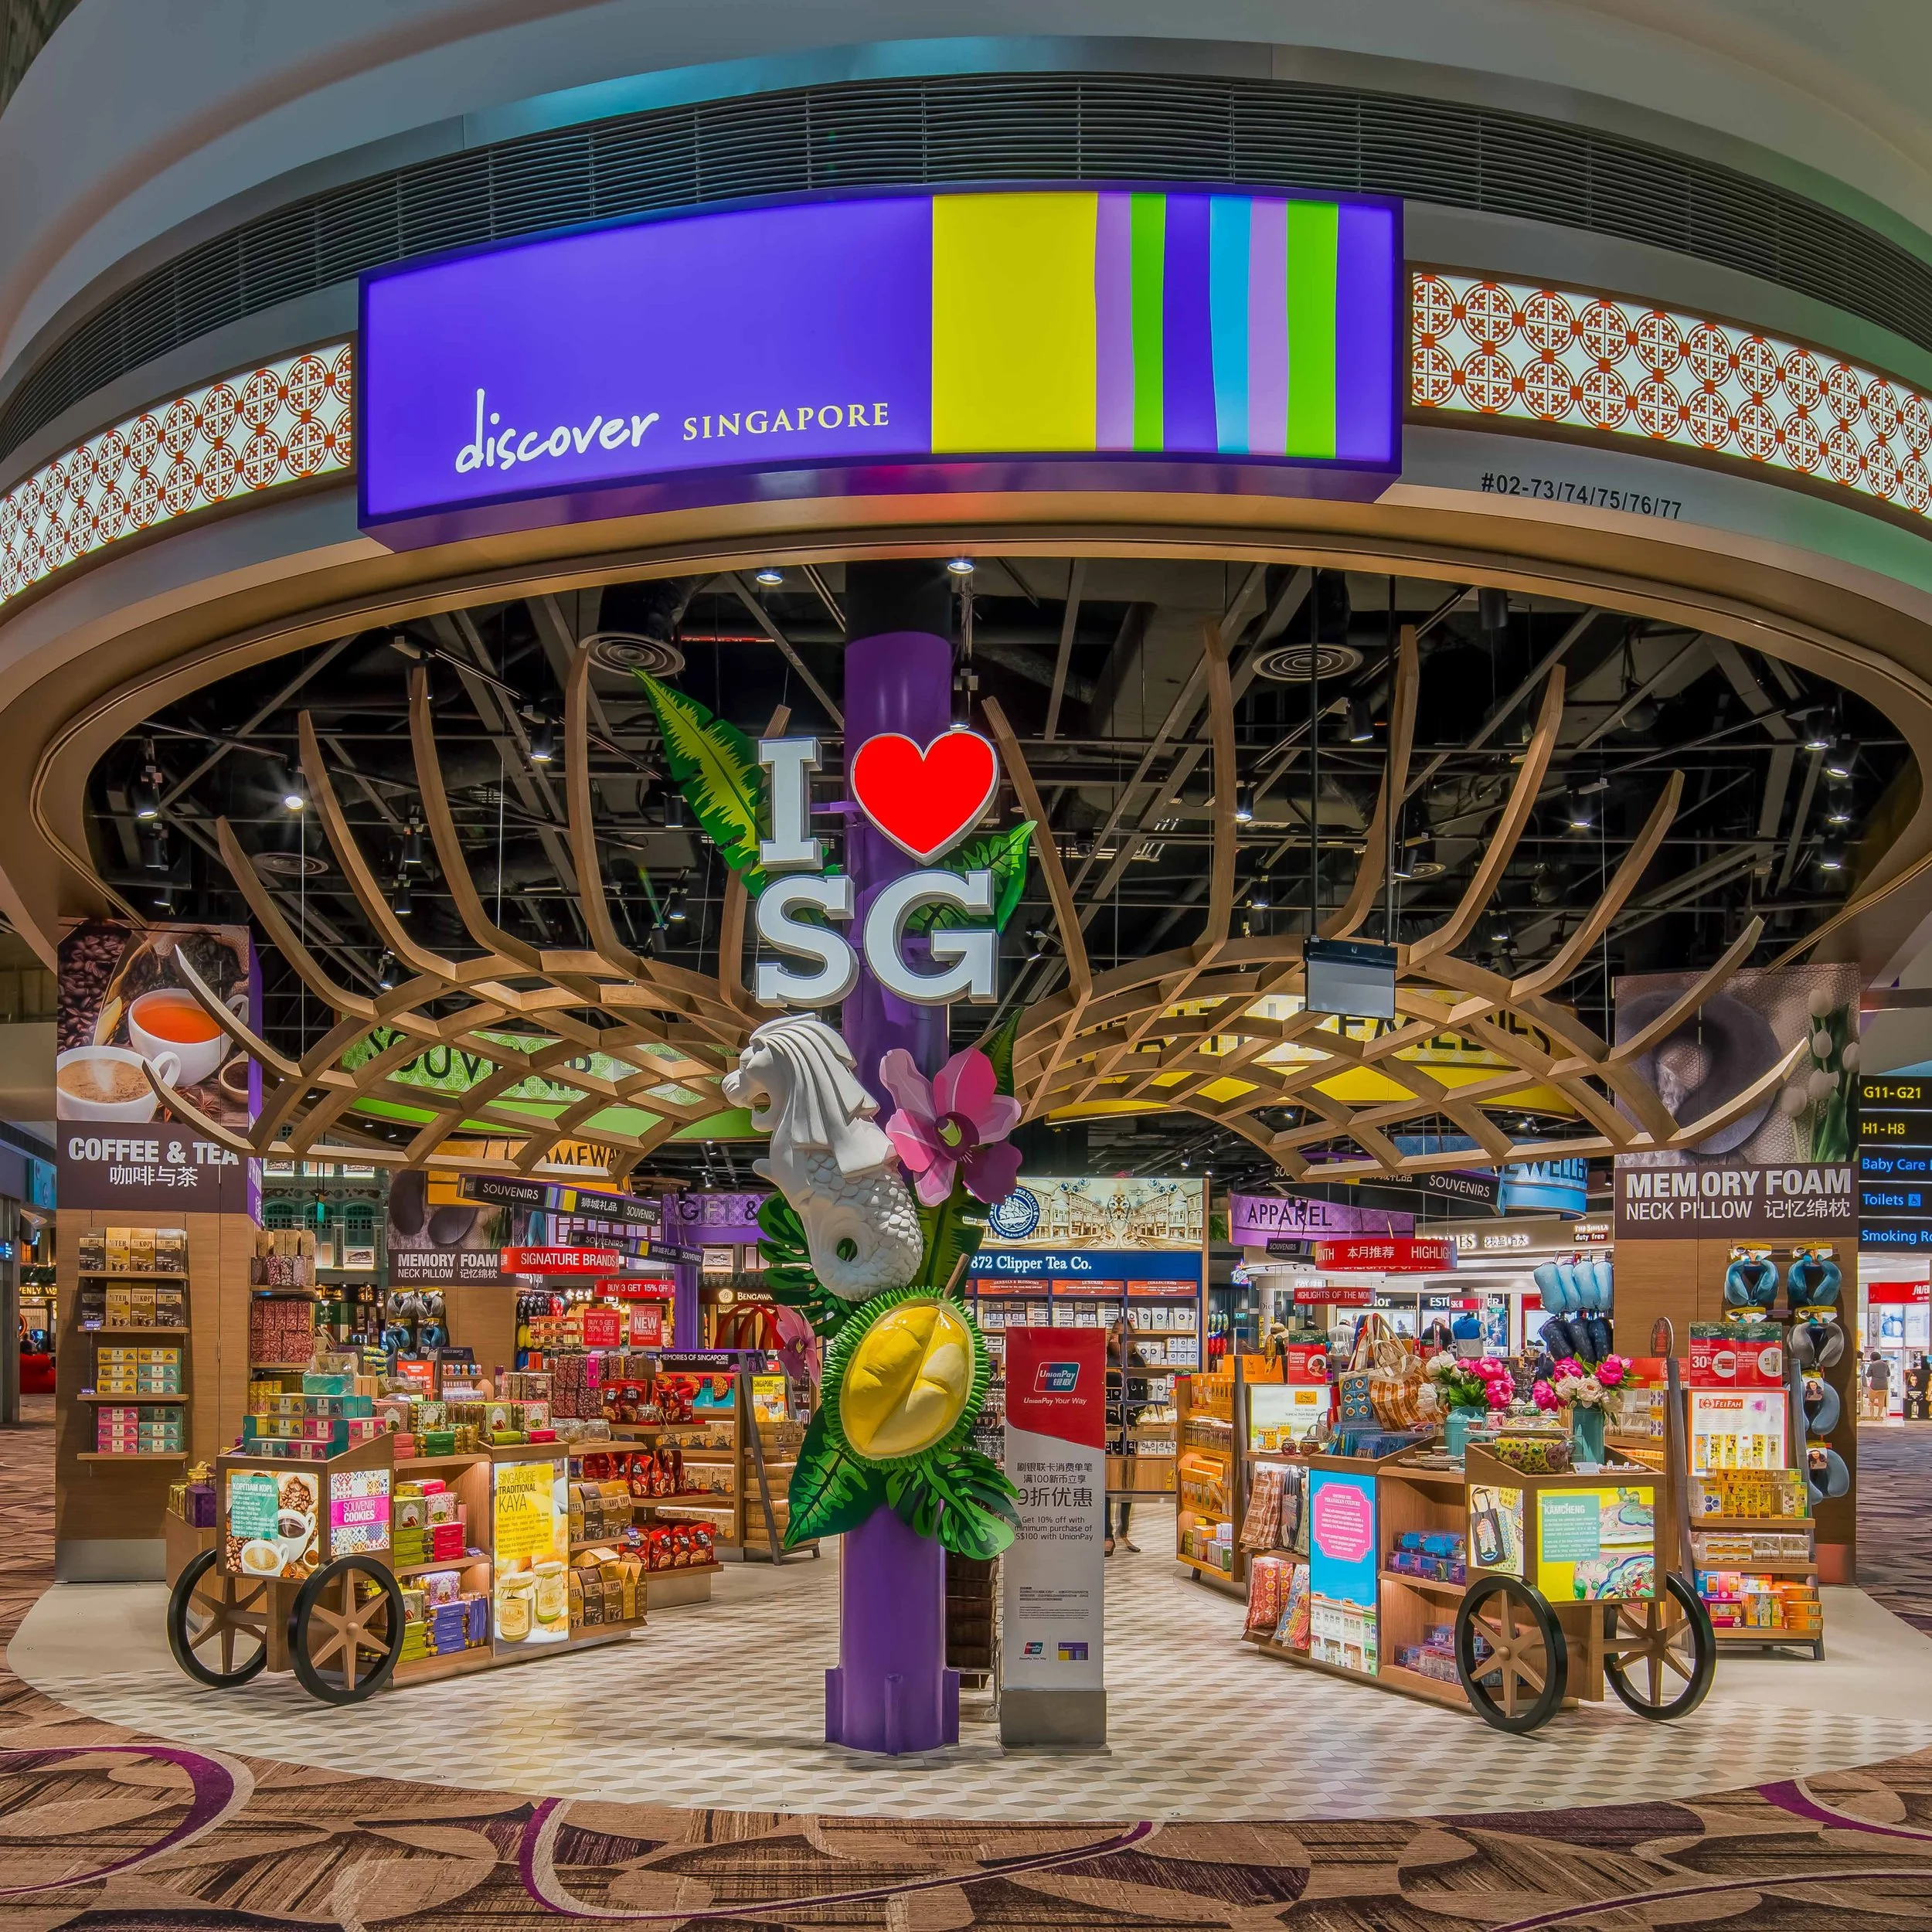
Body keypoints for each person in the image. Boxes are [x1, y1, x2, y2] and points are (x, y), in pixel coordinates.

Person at [1104, 1318, 1140, 1555]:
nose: (1119, 1338)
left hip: (1130, 1428)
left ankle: (1124, 1531)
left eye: (1125, 1334)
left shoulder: (1138, 1362)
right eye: (1116, 1333)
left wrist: (1134, 1416)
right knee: (1106, 1483)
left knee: (1127, 1482)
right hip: (1105, 1427)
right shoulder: (1102, 1360)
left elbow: (1144, 1395)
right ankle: (1106, 1535)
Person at [1871, 1351, 1893, 1420]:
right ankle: (1879, 1416)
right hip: (1884, 1385)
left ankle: (1872, 1416)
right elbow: (1889, 1374)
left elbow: (1868, 1374)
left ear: (1872, 1358)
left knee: (1871, 1400)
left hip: (1874, 1385)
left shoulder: (1872, 1365)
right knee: (1881, 1400)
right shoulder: (1885, 1365)